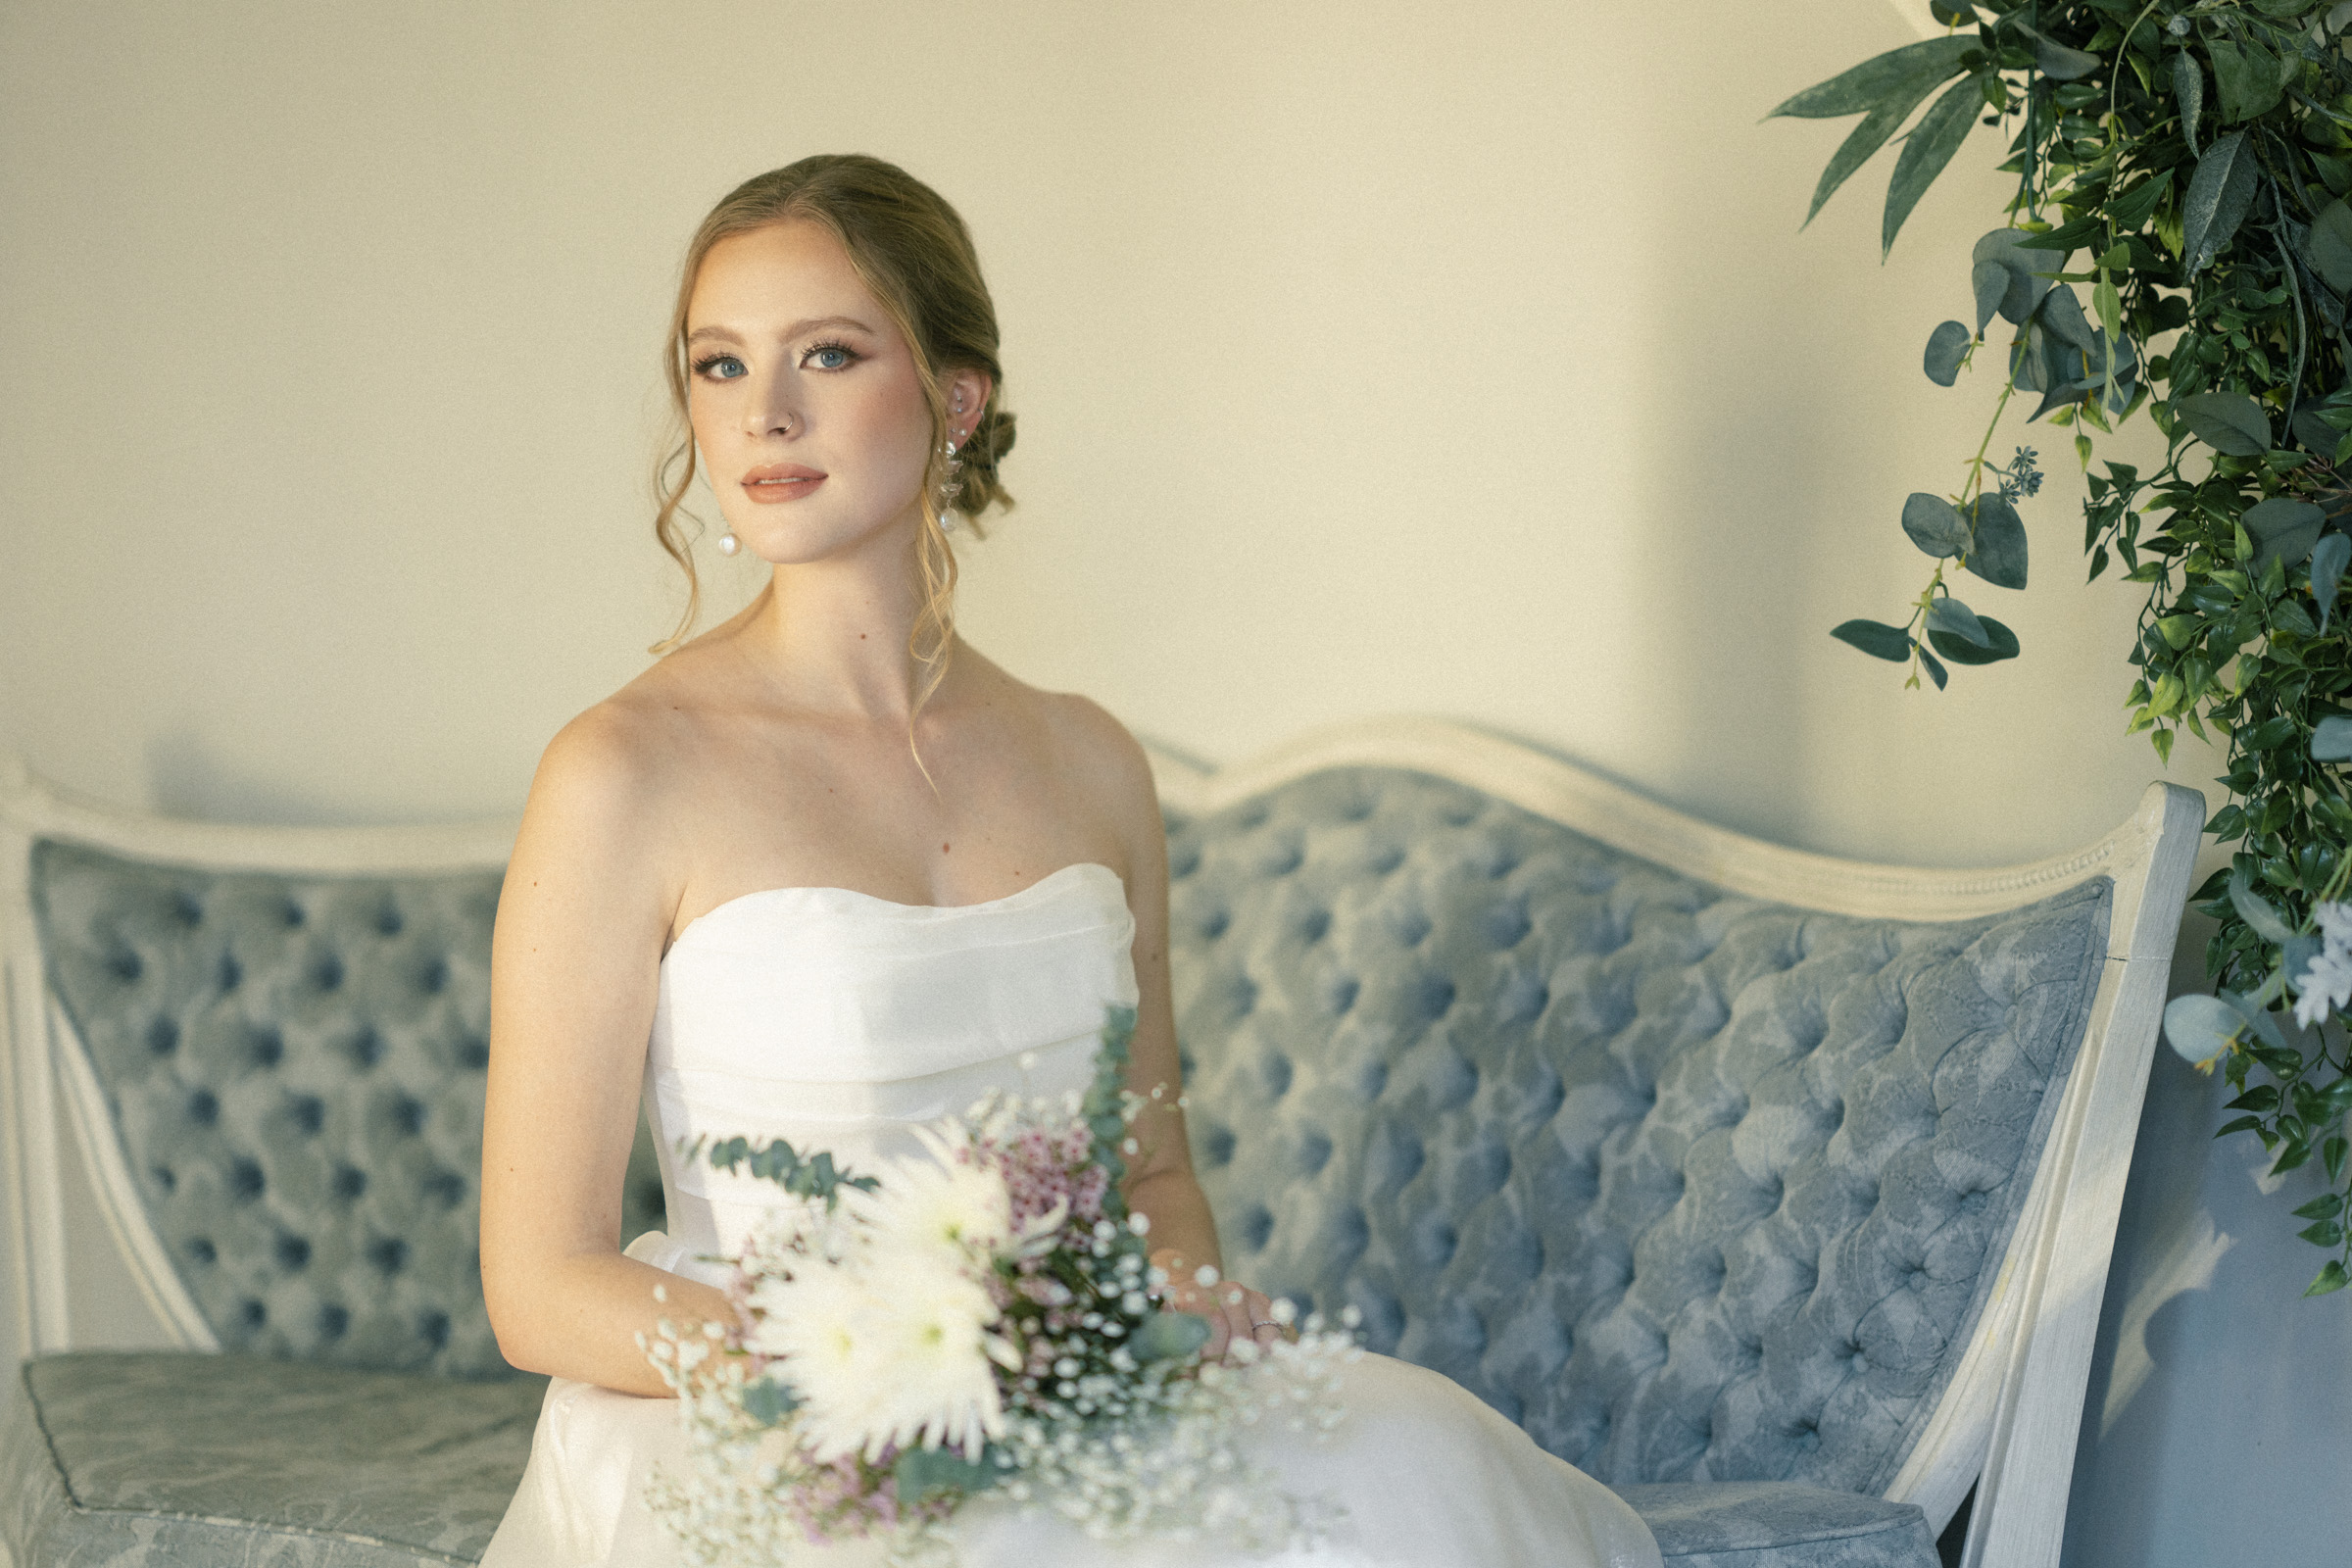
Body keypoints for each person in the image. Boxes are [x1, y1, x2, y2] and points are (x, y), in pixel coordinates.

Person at [476, 154, 1660, 1568]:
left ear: (956, 397)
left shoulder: (1093, 761)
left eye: (829, 354)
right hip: (768, 1408)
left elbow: (1151, 1179)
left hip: (1066, 1393)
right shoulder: (622, 771)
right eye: (719, 366)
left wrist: (1147, 1315)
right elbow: (541, 1283)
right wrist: (860, 1378)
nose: (765, 412)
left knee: (1414, 1471)